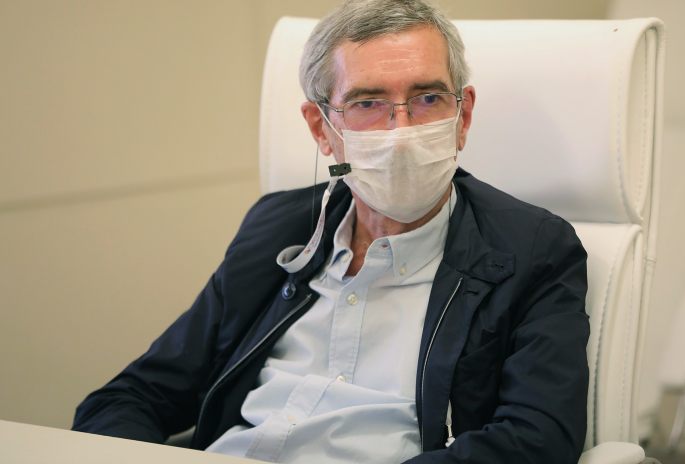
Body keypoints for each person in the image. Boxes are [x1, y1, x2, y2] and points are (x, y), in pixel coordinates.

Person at [72, 0, 590, 462]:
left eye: (428, 97)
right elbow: (130, 397)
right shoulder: (276, 229)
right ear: (322, 129)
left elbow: (537, 439)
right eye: (367, 103)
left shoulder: (530, 249)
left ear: (464, 114)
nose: (402, 130)